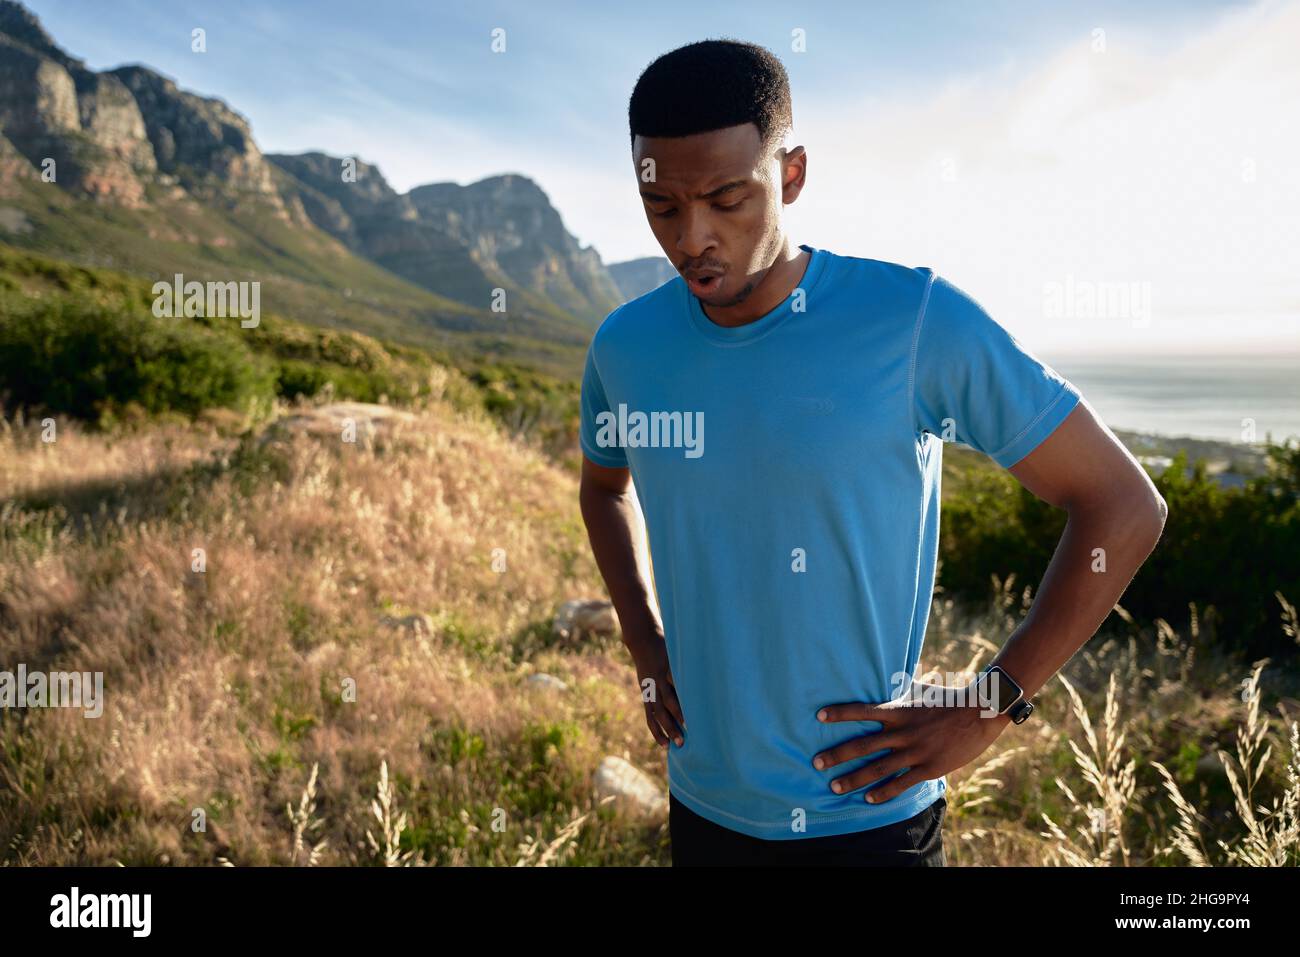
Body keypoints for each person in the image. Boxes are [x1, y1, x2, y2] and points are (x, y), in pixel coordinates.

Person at [578, 38, 1167, 866]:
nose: (694, 236)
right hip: (702, 802)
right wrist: (643, 637)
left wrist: (994, 702)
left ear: (791, 175)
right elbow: (605, 489)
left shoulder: (916, 320)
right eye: (664, 206)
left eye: (725, 197)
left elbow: (1124, 505)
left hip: (871, 819)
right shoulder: (623, 346)